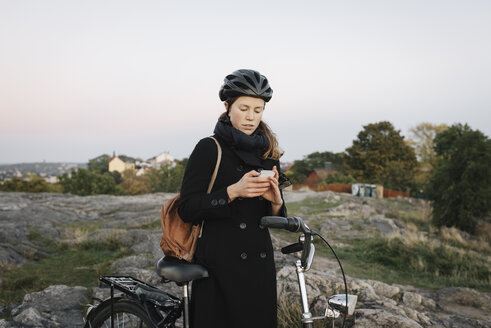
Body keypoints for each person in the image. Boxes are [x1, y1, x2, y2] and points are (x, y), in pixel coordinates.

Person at [177, 69, 287, 328]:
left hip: (259, 268)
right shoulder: (209, 148)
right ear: (227, 106)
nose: (251, 117)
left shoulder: (268, 154)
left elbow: (274, 218)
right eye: (244, 108)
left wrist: (276, 201)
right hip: (218, 266)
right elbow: (187, 208)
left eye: (258, 110)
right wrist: (232, 192)